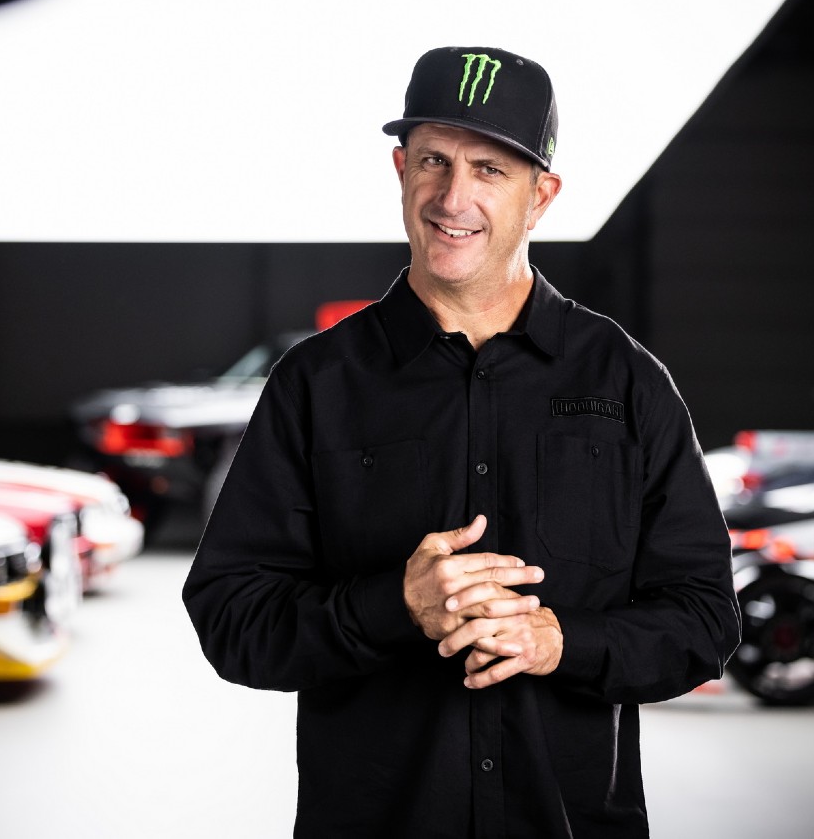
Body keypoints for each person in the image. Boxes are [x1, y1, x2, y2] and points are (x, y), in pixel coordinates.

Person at [183, 45, 740, 838]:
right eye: (434, 161)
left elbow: (705, 618)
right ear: (400, 169)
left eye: (489, 170)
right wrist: (392, 606)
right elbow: (232, 618)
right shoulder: (317, 385)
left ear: (540, 197)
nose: (453, 197)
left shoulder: (626, 382)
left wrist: (562, 641)